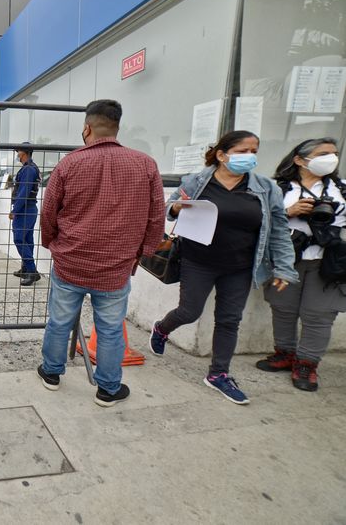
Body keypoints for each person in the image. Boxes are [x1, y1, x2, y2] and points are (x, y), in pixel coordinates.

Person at [149, 130, 299, 404]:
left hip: (241, 266)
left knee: (230, 320)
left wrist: (284, 268)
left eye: (254, 151)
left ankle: (218, 374)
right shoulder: (197, 181)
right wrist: (177, 208)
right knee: (189, 311)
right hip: (198, 260)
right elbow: (170, 208)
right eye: (243, 151)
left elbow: (278, 230)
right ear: (221, 154)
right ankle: (161, 328)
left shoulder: (266, 188)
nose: (250, 157)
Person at [37, 99, 164, 406]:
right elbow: (157, 217)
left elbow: (48, 213)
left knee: (59, 320)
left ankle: (52, 373)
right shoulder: (146, 164)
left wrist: (52, 244)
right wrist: (141, 253)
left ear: (87, 128)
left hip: (70, 261)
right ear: (118, 127)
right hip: (116, 266)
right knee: (109, 329)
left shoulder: (69, 163)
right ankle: (108, 389)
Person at [257, 138, 346, 391]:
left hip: (328, 261)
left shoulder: (342, 189)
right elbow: (257, 221)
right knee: (282, 307)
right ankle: (285, 353)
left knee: (319, 314)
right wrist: (290, 212)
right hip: (287, 257)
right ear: (299, 159)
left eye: (335, 153)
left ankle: (307, 363)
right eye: (323, 153)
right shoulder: (277, 189)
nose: (331, 158)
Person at [10, 144, 41, 286]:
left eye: (18, 151)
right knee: (27, 239)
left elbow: (23, 192)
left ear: (23, 153)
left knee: (19, 239)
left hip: (25, 209)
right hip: (28, 209)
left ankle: (32, 271)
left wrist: (15, 210)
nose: (17, 154)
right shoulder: (29, 167)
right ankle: (25, 268)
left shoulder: (28, 169)